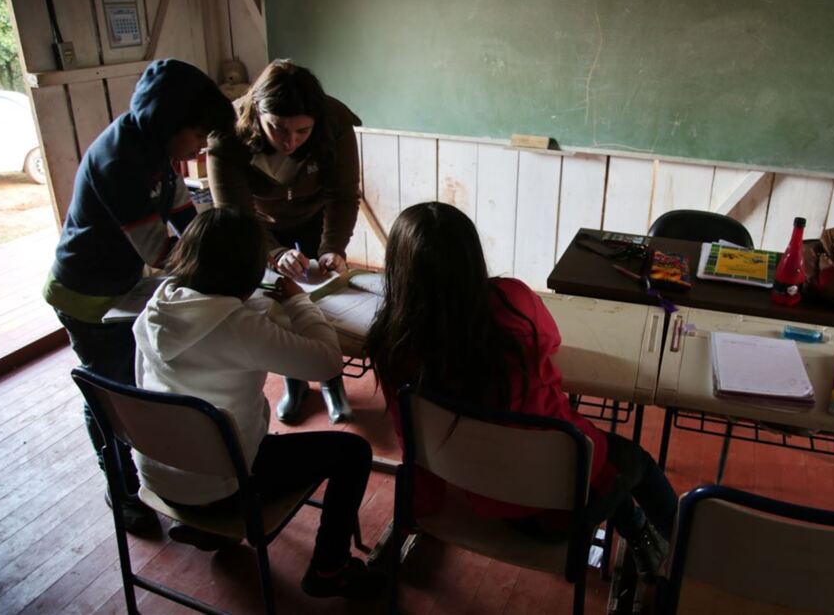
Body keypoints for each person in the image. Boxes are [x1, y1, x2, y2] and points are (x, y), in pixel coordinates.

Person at [365, 202, 678, 581]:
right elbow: (553, 341)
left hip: (481, 493)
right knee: (634, 460)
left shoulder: (391, 346)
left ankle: (642, 534)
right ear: (472, 257)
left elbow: (410, 441)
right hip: (562, 509)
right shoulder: (511, 301)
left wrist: (422, 508)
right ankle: (679, 545)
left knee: (603, 462)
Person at [132, 207, 375, 597]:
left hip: (159, 474)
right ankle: (329, 569)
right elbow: (327, 362)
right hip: (221, 484)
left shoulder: (156, 307)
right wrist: (297, 301)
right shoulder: (240, 326)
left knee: (224, 422)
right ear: (248, 270)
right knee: (353, 451)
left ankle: (202, 527)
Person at [44, 59, 234, 534]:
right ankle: (123, 489)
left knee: (144, 383)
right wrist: (229, 270)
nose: (199, 148)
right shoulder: (119, 162)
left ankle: (162, 479)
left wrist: (222, 240)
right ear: (170, 125)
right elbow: (163, 251)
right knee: (110, 394)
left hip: (123, 287)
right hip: (85, 294)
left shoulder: (156, 149)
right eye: (197, 136)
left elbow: (186, 218)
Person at [207, 59, 361, 425]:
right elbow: (235, 215)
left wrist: (332, 248)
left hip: (313, 215)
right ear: (257, 112)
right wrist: (274, 253)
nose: (289, 141)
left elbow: (342, 195)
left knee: (323, 297)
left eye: (302, 131)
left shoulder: (335, 121)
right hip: (257, 226)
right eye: (277, 128)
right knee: (276, 302)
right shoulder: (225, 132)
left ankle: (331, 381)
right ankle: (294, 382)